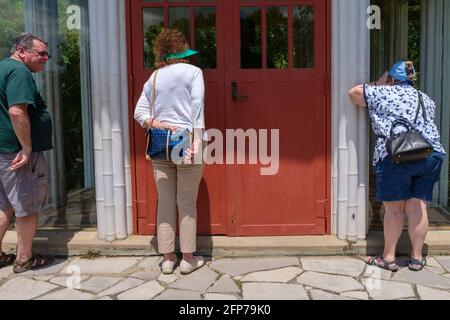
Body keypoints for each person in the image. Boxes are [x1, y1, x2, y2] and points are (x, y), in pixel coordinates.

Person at [348, 61, 446, 272]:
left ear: (392, 79)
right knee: (418, 205)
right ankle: (417, 259)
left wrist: (378, 82)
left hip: (397, 155)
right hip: (431, 154)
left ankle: (389, 257)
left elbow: (353, 93)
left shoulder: (383, 92)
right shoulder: (425, 98)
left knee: (394, 209)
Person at [134, 29, 206, 275]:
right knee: (186, 201)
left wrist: (158, 124)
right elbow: (197, 105)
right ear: (183, 49)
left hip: (161, 143)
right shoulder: (194, 72)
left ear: (162, 52)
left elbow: (139, 113)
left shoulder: (154, 77)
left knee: (165, 202)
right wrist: (197, 139)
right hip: (187, 140)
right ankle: (187, 259)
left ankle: (167, 258)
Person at [0, 33, 54, 273]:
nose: (46, 58)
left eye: (47, 54)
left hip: (3, 152)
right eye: (40, 53)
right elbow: (16, 111)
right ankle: (24, 258)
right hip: (16, 154)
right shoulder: (19, 72)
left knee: (4, 206)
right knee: (26, 206)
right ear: (22, 51)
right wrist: (27, 147)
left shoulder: (3, 68)